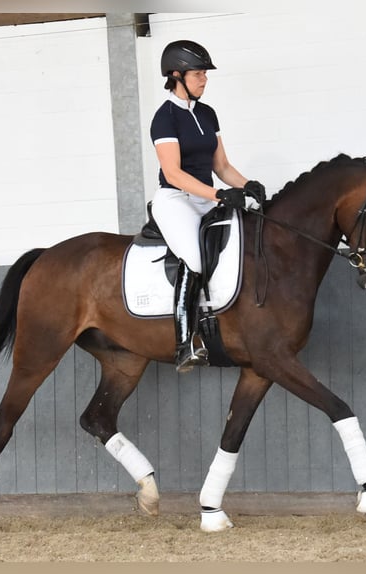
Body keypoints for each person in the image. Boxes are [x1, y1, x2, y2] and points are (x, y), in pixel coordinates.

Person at [150, 39, 266, 373]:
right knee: (195, 258)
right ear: (176, 75)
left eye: (204, 74)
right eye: (198, 74)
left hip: (206, 198)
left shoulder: (207, 113)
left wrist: (246, 185)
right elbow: (173, 172)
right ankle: (184, 343)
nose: (204, 80)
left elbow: (222, 167)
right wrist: (219, 195)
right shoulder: (164, 117)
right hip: (176, 200)